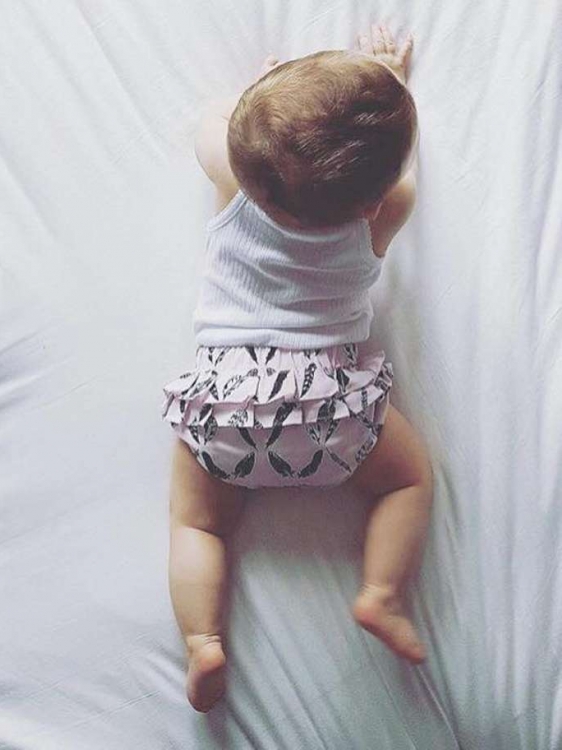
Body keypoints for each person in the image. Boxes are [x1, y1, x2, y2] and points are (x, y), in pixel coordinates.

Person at [161, 24, 433, 713]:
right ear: (370, 200)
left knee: (198, 525)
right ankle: (380, 593)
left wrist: (260, 99)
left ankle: (202, 640)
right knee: (407, 480)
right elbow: (394, 176)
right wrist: (389, 78)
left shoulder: (233, 178)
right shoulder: (385, 210)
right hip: (326, 408)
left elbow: (214, 122)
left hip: (228, 404)